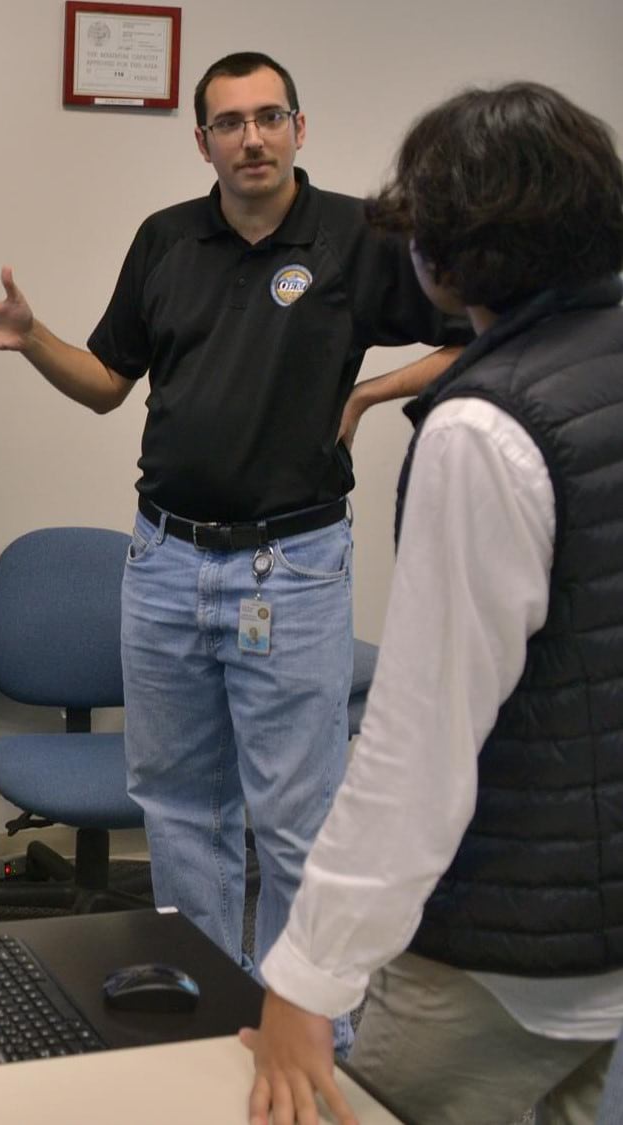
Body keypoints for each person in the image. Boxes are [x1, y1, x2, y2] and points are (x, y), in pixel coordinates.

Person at [0, 52, 465, 1016]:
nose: (250, 138)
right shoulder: (165, 240)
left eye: (268, 118)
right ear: (202, 142)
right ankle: (207, 1014)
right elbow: (104, 383)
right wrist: (29, 332)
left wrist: (372, 392)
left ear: (300, 126)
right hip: (165, 560)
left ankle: (309, 1034)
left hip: (290, 569)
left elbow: (477, 331)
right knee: (177, 812)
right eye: (229, 123)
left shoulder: (359, 236)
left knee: (295, 820)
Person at [243, 82, 623, 1125]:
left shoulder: (484, 431)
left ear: (439, 256)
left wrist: (306, 980)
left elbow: (418, 743)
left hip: (499, 957)